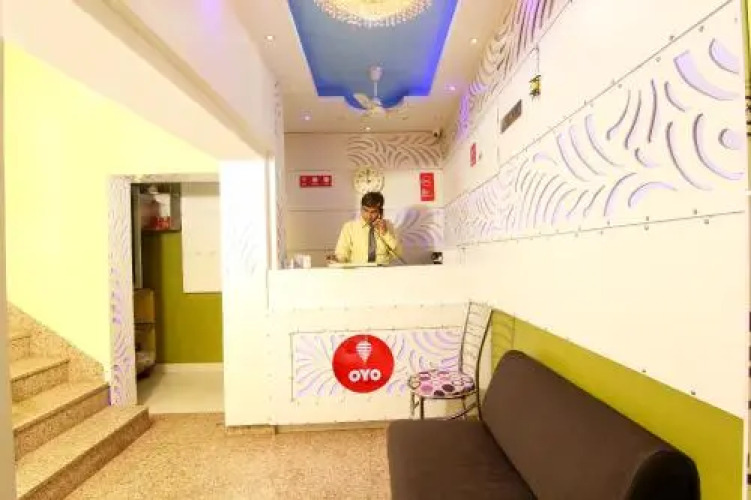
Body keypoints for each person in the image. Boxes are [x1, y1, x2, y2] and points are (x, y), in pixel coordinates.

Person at [328, 192, 402, 265]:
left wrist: (385, 234)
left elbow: (399, 253)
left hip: (382, 270)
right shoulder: (349, 227)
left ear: (380, 211)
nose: (369, 216)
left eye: (373, 212)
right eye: (366, 210)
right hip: (358, 270)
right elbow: (342, 253)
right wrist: (337, 259)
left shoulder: (388, 226)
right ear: (361, 209)